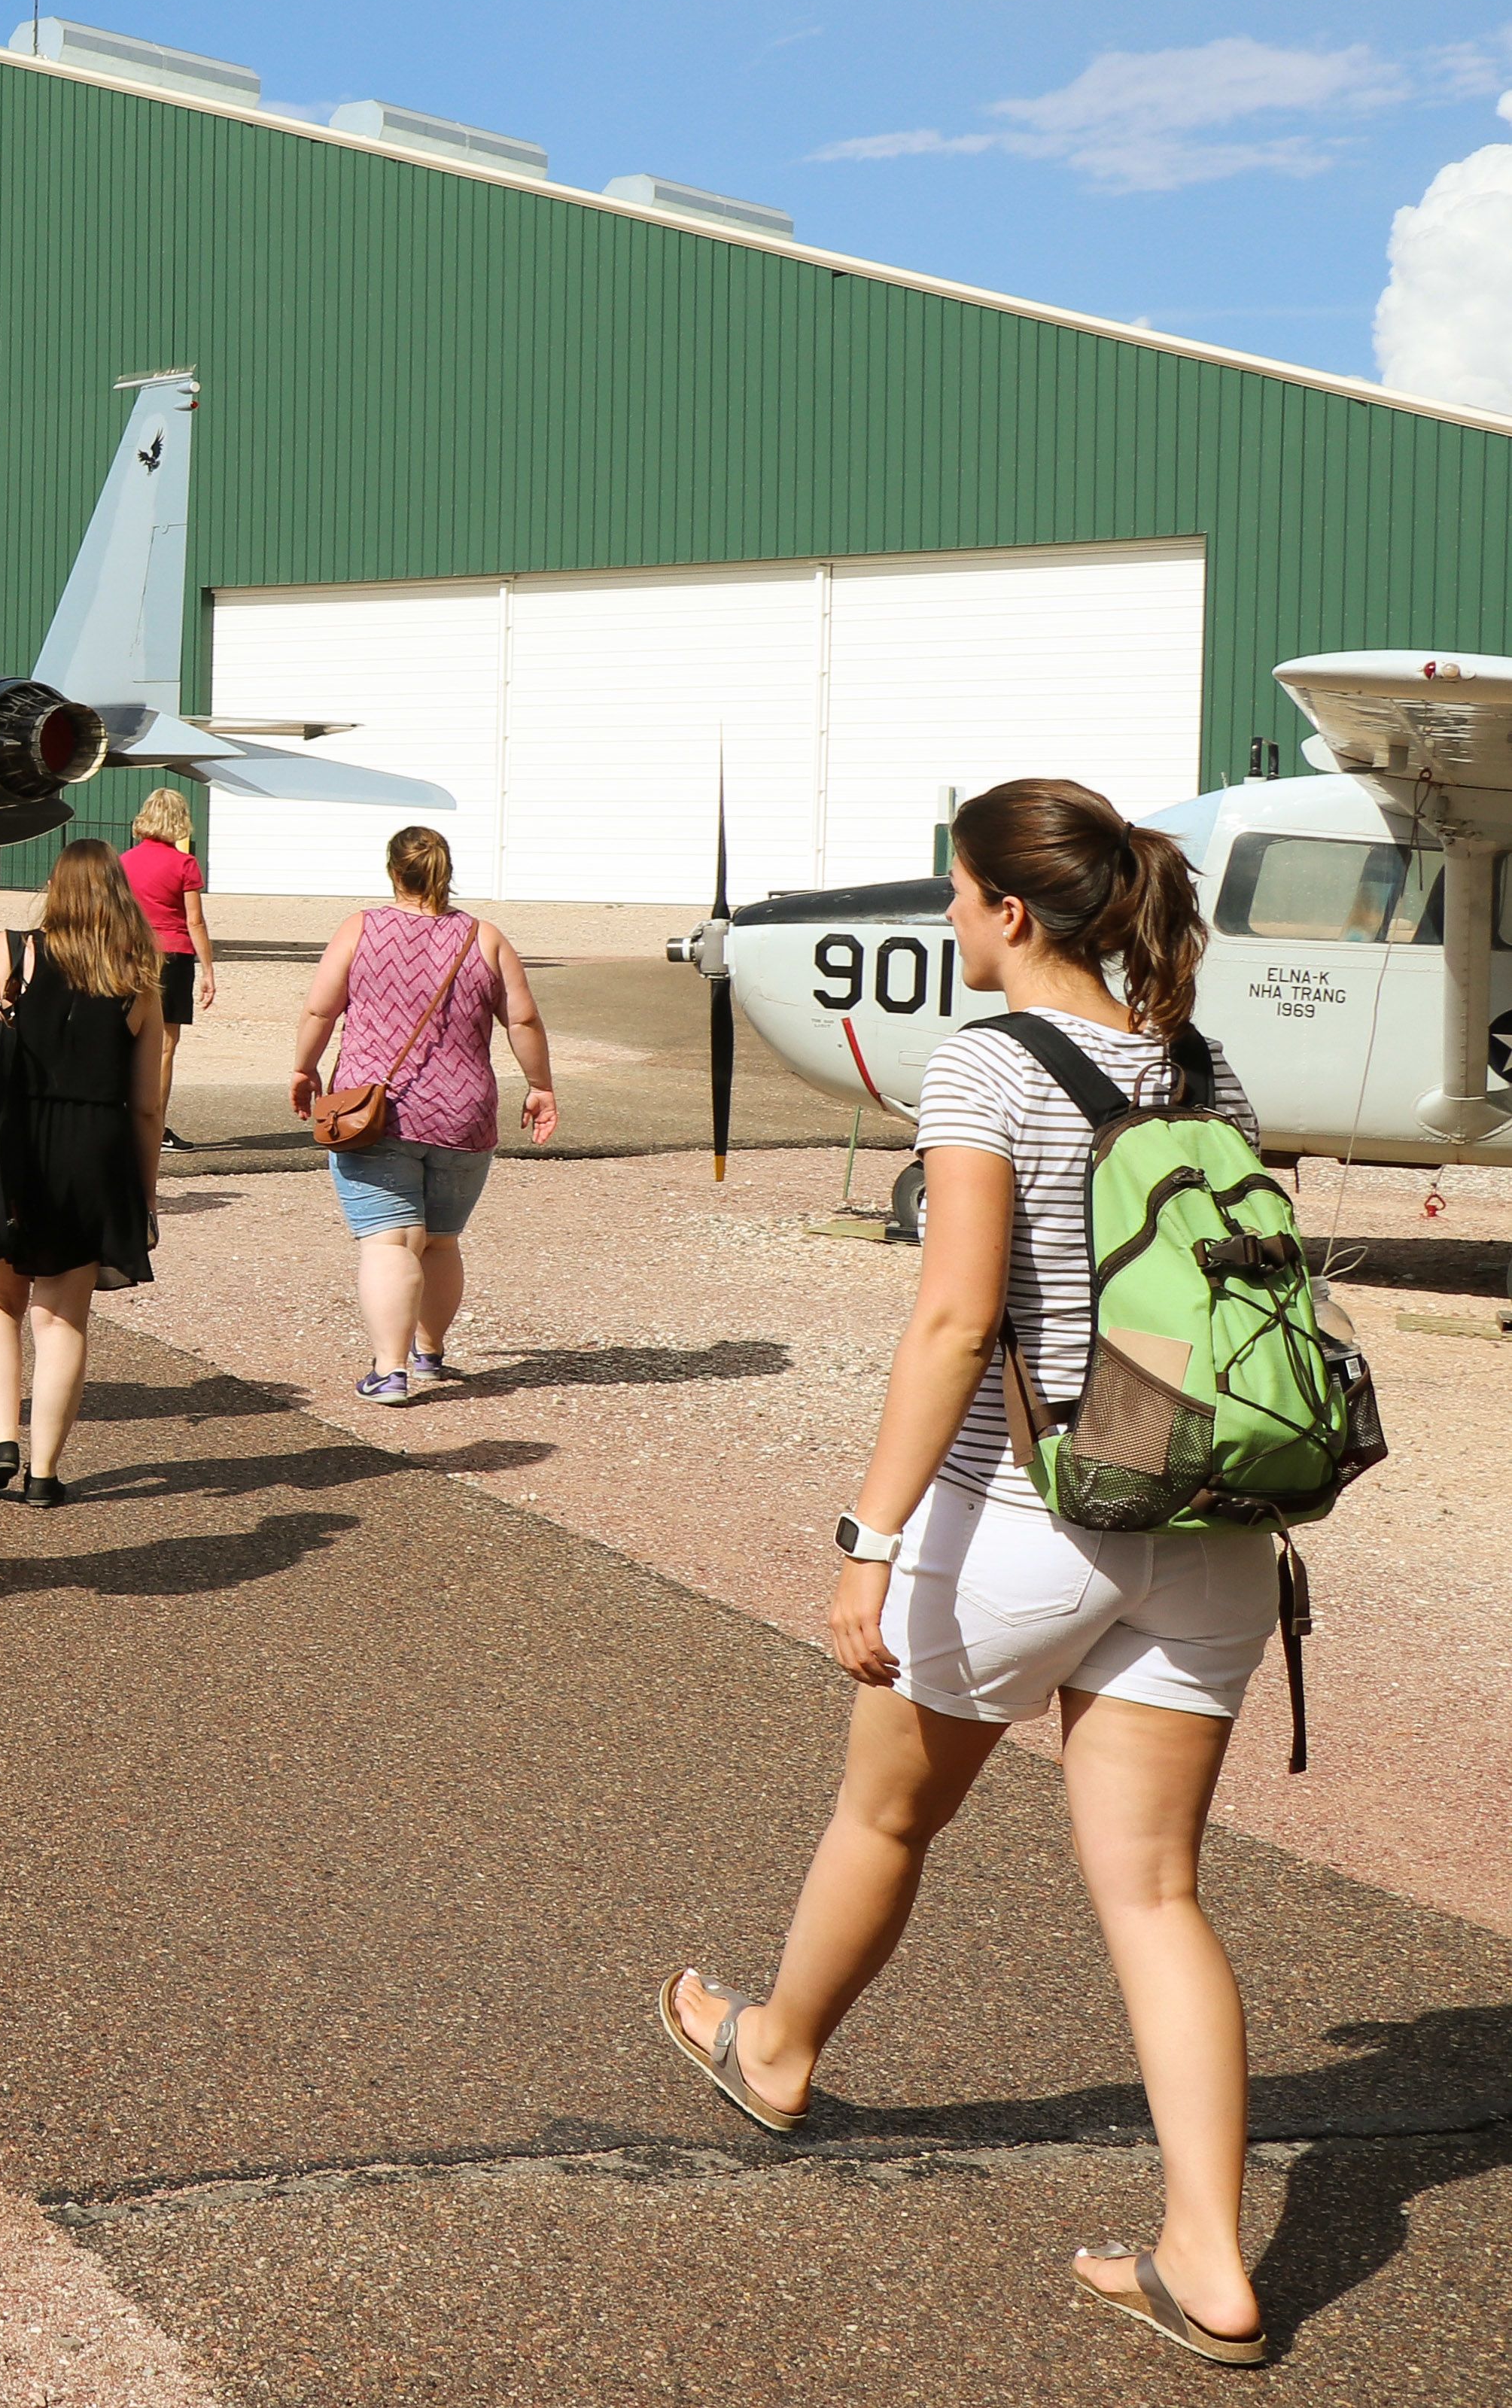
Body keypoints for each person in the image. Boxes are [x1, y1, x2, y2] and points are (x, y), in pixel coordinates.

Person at [656, 779, 1275, 2371]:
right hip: (1206, 1525)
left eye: (954, 892)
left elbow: (948, 1321)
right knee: (1153, 1891)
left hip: (1028, 1510)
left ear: (1008, 907)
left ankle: (776, 2044)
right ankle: (1206, 2253)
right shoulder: (1204, 1063)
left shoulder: (984, 1063)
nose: (942, 916)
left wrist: (867, 1536)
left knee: (886, 1809)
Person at [285, 827, 556, 1405]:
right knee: (438, 1240)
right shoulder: (485, 938)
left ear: (392, 871)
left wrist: (304, 1067)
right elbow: (524, 1021)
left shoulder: (360, 927)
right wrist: (540, 1086)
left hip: (373, 1113)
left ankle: (389, 1370)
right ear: (444, 871)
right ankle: (429, 1354)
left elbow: (320, 1006)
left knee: (390, 1242)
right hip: (463, 1115)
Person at [0, 840, 169, 1501]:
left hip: (8, 1146)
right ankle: (44, 1473)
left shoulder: (12, 949)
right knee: (62, 1319)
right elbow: (146, 1104)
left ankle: (1, 1439)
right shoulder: (137, 973)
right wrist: (144, 1190)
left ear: (54, 888)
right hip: (92, 1149)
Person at [122, 787, 217, 1043]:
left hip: (132, 951)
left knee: (129, 1031)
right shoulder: (185, 864)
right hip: (173, 954)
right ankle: (159, 1085)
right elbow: (195, 921)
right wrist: (208, 970)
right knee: (165, 1039)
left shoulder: (124, 862)